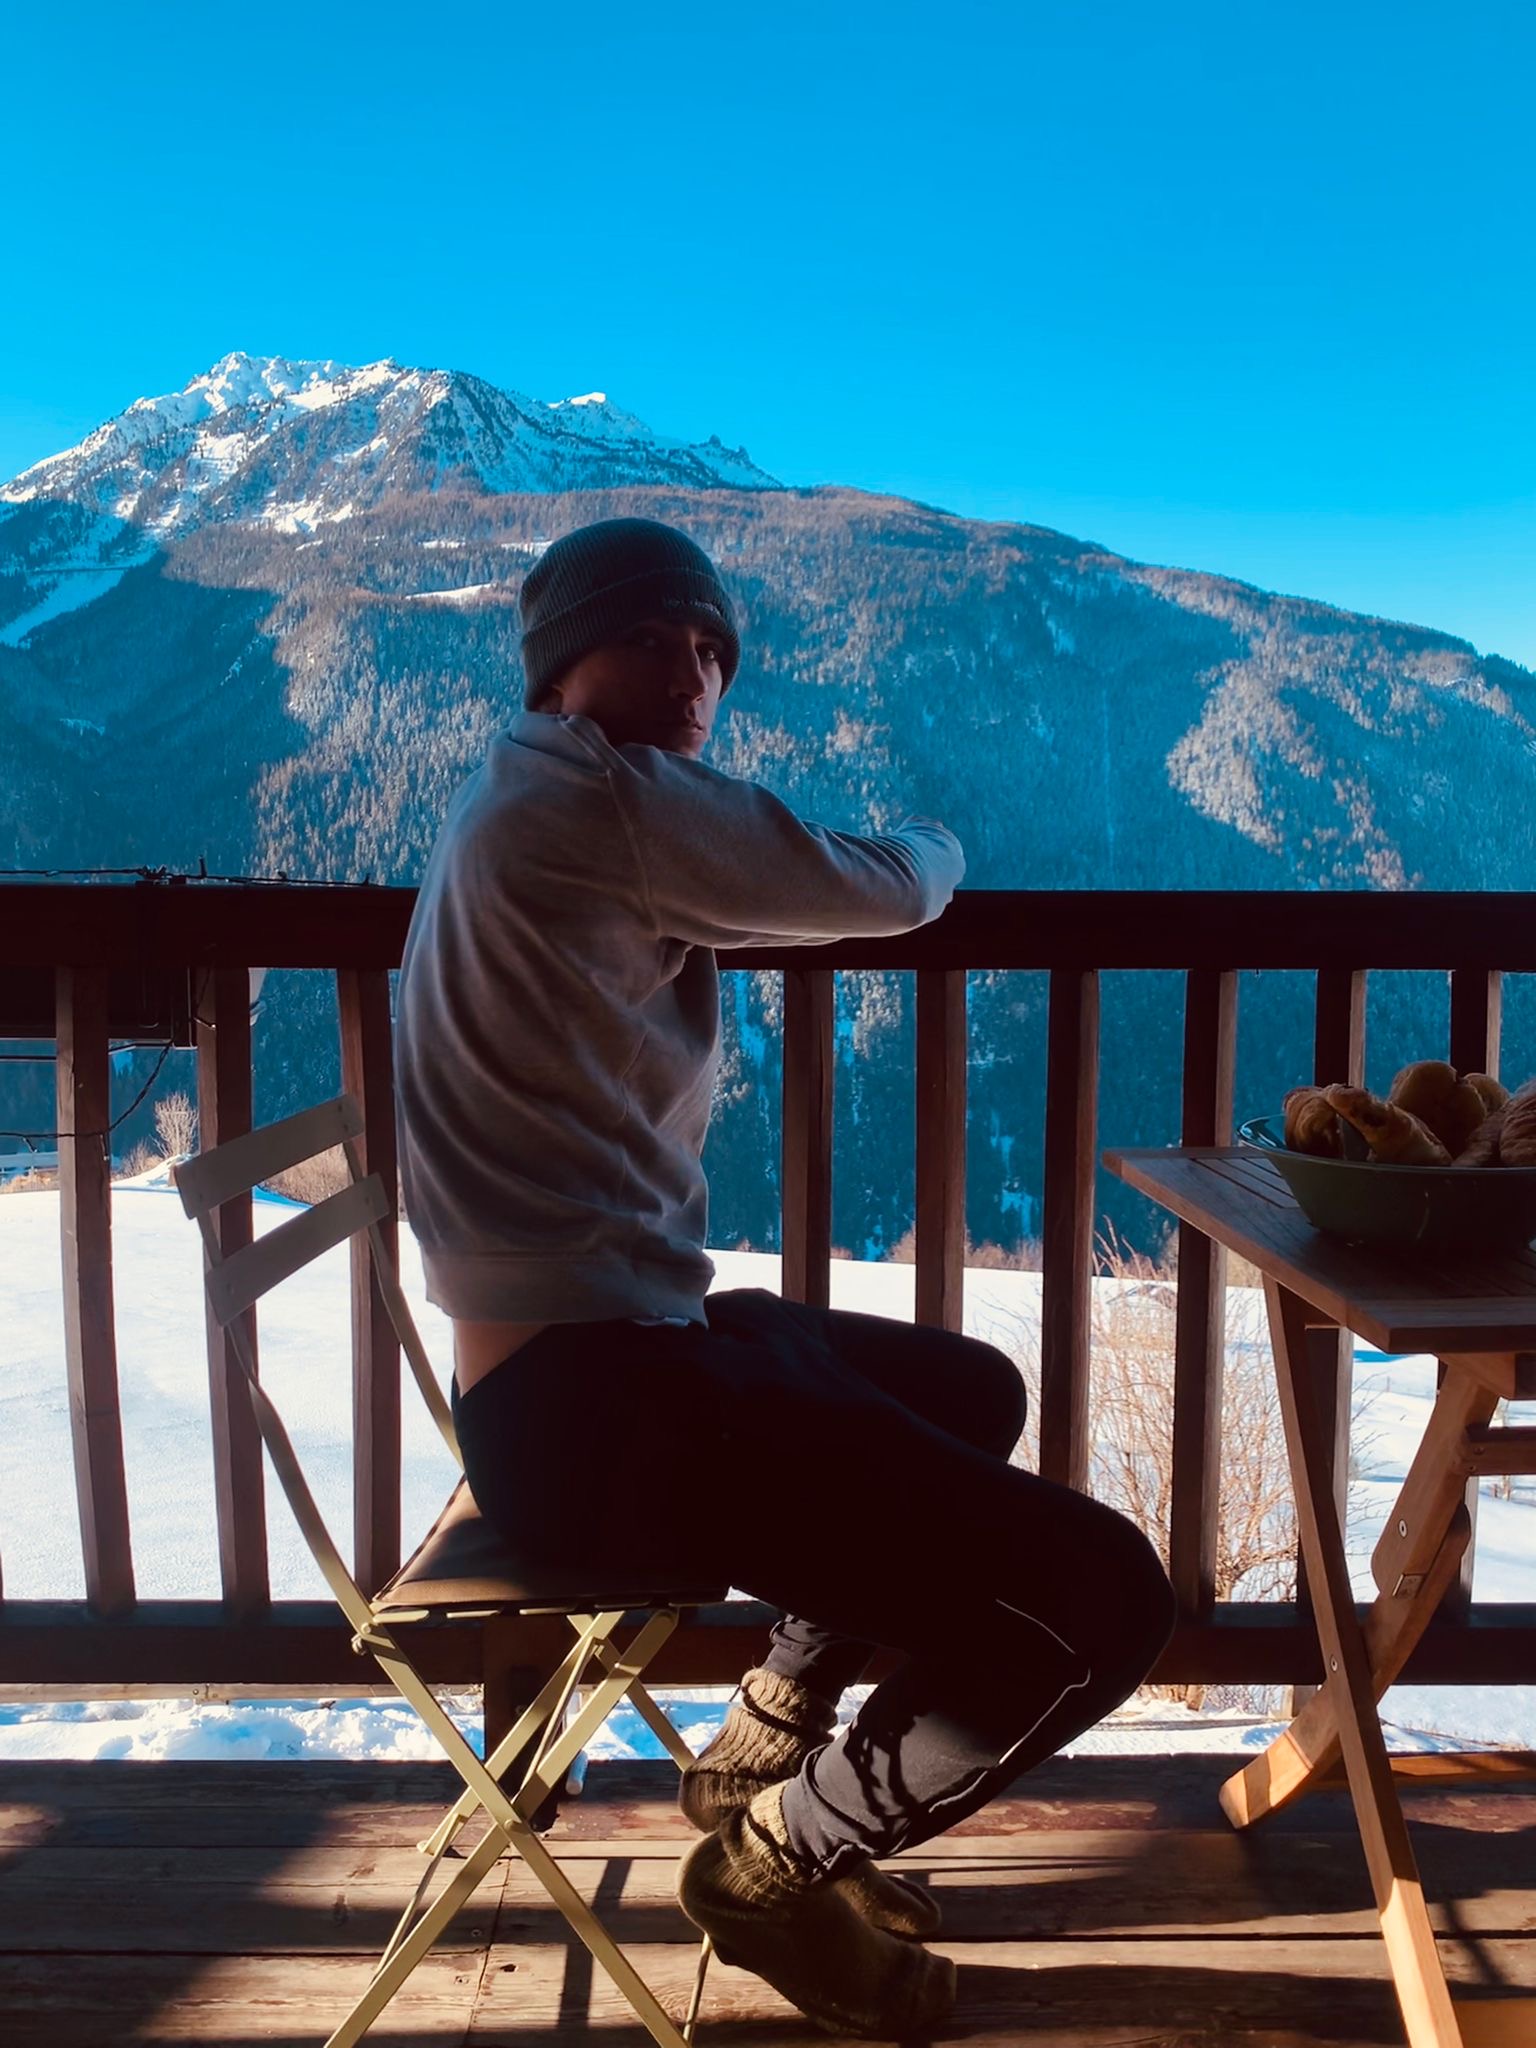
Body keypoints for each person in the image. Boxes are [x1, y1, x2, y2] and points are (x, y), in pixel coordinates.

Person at [394, 516, 1176, 2038]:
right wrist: (945, 842)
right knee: (1104, 1601)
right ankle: (772, 1866)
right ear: (564, 662)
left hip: (583, 1367)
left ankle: (775, 1724)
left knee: (970, 1387)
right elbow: (882, 886)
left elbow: (753, 889)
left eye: (713, 651)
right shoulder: (601, 798)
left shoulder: (533, 792)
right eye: (653, 640)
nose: (692, 675)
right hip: (592, 1414)